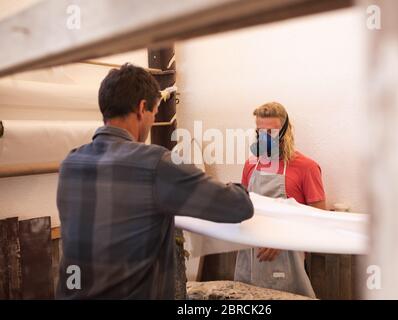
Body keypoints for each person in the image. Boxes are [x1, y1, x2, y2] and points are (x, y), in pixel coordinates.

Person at [56, 63, 253, 299]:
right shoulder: (153, 164)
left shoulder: (71, 164)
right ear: (142, 108)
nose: (151, 123)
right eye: (155, 113)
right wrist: (240, 187)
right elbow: (238, 206)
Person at [234, 102, 326, 298]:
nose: (266, 137)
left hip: (288, 263)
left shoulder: (306, 168)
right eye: (261, 131)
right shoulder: (251, 165)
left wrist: (282, 240)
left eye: (272, 131)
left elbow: (319, 220)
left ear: (286, 131)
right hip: (249, 258)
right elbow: (244, 207)